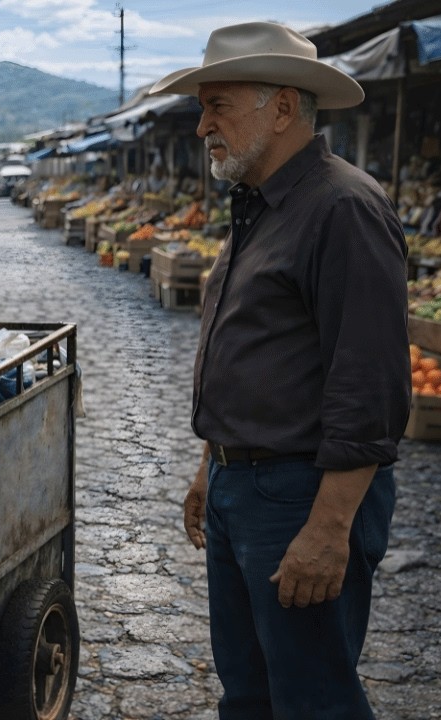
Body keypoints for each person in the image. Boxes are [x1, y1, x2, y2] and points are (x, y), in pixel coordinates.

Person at [150, 22, 408, 719]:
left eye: (218, 105)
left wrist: (329, 529)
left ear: (284, 108)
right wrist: (213, 466)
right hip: (244, 487)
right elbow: (261, 355)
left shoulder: (342, 207)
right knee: (251, 692)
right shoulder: (259, 206)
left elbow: (370, 386)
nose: (202, 125)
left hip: (300, 493)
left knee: (312, 697)